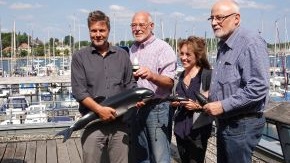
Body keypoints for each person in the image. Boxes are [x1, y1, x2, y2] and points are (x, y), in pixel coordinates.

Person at [203, 0, 270, 163]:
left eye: (219, 17)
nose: (214, 22)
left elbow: (259, 86)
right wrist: (212, 94)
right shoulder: (224, 44)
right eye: (211, 18)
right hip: (227, 122)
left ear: (236, 19)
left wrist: (222, 105)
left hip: (242, 124)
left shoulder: (250, 42)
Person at [71, 10, 136, 163]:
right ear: (89, 31)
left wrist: (136, 99)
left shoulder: (122, 55)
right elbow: (79, 92)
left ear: (108, 31)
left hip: (120, 123)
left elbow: (130, 84)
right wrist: (100, 110)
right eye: (94, 30)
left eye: (102, 30)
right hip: (93, 123)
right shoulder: (79, 57)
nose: (98, 34)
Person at [129, 11, 177, 163]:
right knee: (141, 156)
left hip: (157, 108)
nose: (137, 28)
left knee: (160, 157)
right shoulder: (132, 49)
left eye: (141, 25)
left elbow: (170, 83)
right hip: (137, 108)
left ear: (151, 26)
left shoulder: (163, 48)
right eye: (134, 25)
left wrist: (152, 75)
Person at [171, 36, 213, 163]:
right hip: (180, 130)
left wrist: (198, 107)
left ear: (197, 55)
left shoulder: (206, 76)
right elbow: (174, 98)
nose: (183, 57)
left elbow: (216, 103)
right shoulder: (180, 76)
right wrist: (173, 103)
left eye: (188, 54)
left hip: (198, 132)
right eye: (181, 54)